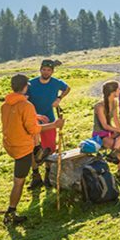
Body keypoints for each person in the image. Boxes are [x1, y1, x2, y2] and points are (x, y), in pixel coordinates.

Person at [1, 73, 64, 226]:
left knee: (33, 150)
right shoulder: (26, 106)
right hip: (21, 146)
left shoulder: (6, 104)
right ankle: (11, 212)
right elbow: (33, 130)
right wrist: (54, 125)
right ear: (25, 87)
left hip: (10, 143)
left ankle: (37, 155)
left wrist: (35, 115)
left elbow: (18, 117)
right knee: (19, 181)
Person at [25, 59, 71, 189]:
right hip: (33, 120)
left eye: (48, 70)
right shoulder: (31, 84)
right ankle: (35, 176)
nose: (46, 72)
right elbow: (25, 100)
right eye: (43, 69)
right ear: (40, 70)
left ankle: (48, 174)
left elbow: (67, 88)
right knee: (32, 149)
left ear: (52, 71)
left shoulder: (56, 83)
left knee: (49, 147)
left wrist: (59, 98)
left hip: (50, 119)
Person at [94, 80, 120, 182]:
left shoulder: (114, 102)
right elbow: (105, 125)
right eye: (118, 89)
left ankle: (113, 153)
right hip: (100, 135)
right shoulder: (99, 106)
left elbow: (116, 119)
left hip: (111, 133)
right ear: (114, 91)